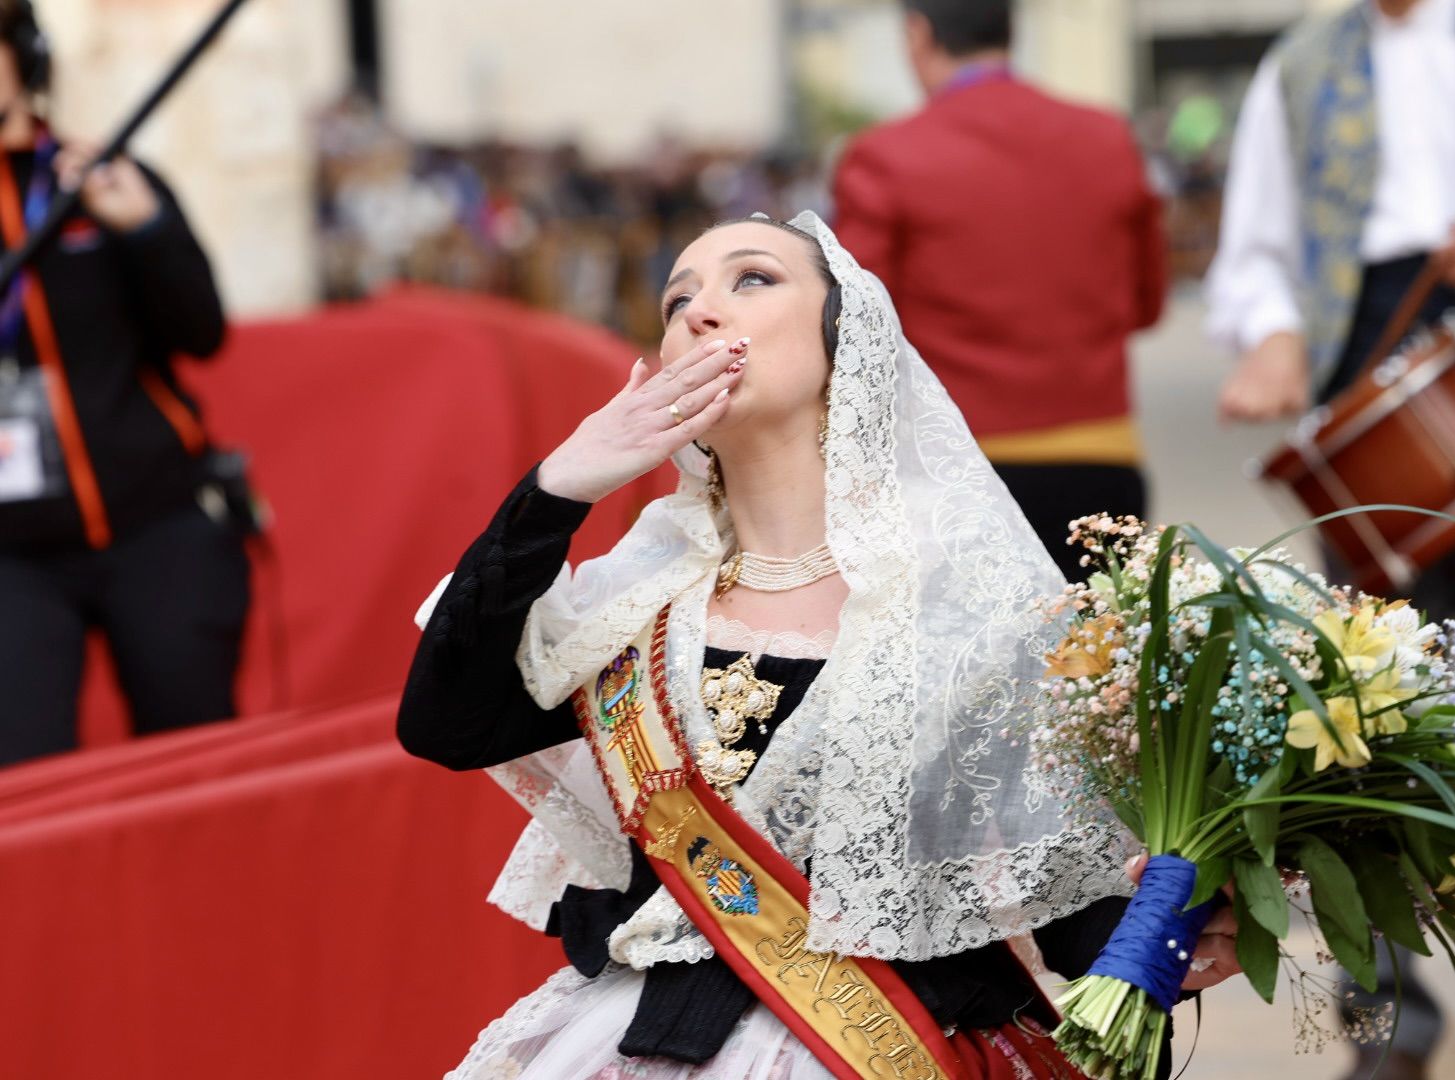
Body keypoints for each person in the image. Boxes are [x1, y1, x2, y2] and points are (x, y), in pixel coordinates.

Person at [398, 214, 1240, 1078]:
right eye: (677, 300)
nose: (700, 311)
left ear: (850, 339)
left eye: (751, 279)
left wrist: (1175, 929)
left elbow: (1062, 892)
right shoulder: (635, 599)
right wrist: (557, 488)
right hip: (639, 1041)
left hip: (890, 1044)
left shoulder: (962, 605)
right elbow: (444, 725)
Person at [1205, 1, 1455, 1075]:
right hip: (1365, 388)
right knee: (1362, 717)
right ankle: (1388, 1016)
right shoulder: (1300, 64)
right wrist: (1274, 333)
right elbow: (1255, 254)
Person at [831, 0, 1167, 581]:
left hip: (955, 466)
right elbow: (1146, 305)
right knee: (1100, 639)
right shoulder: (1107, 135)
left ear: (918, 32)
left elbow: (857, 326)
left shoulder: (887, 155)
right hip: (1100, 456)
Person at [0, 0, 244, 767]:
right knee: (26, 781)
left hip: (157, 522)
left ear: (23, 57)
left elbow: (203, 332)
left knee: (194, 760)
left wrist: (146, 230)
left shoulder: (97, 178)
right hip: (12, 557)